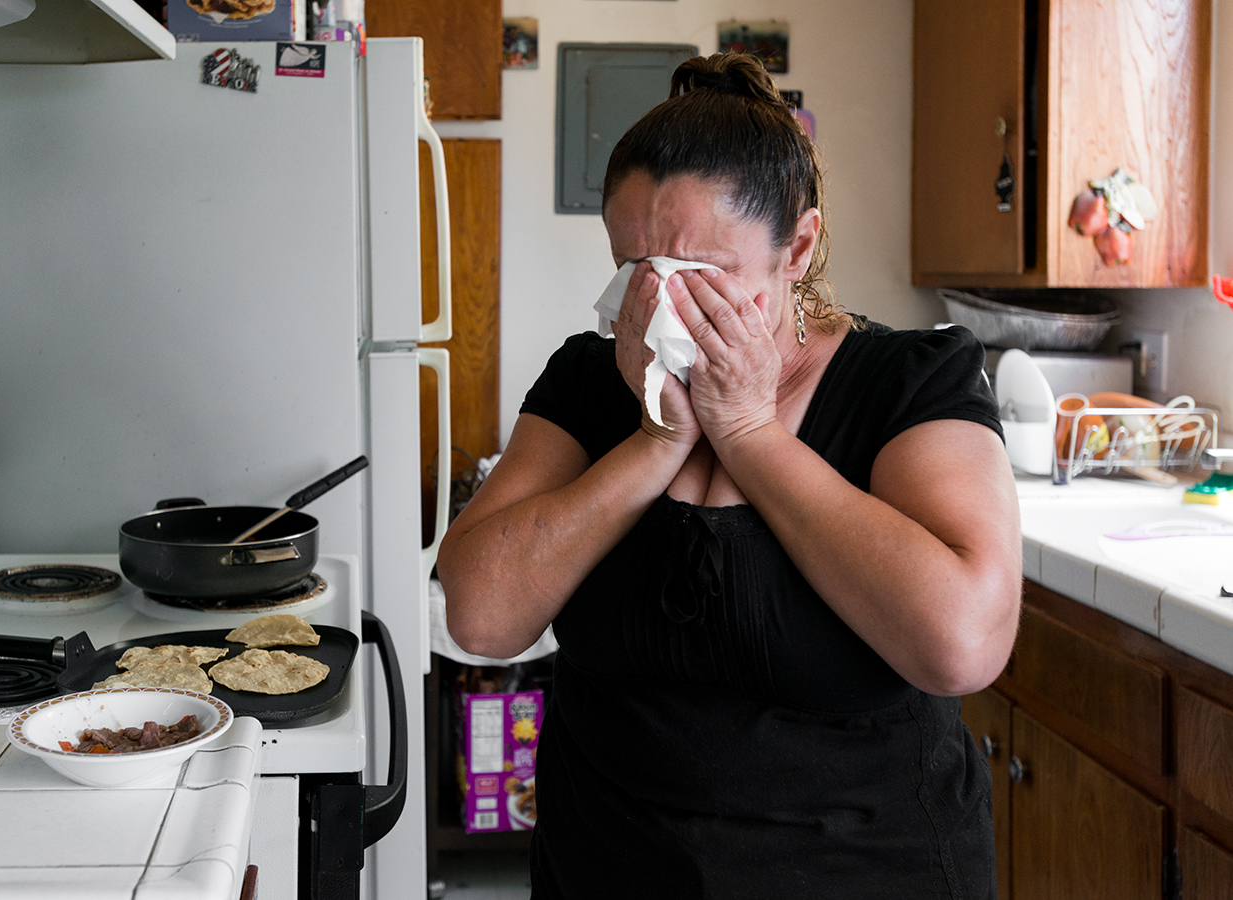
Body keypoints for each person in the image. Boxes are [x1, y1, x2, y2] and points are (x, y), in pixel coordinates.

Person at [436, 52, 1021, 900]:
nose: (660, 306)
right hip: (604, 870)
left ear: (797, 248)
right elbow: (479, 616)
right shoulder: (588, 382)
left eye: (699, 277)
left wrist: (747, 431)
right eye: (634, 270)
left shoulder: (910, 382)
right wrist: (655, 441)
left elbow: (963, 642)